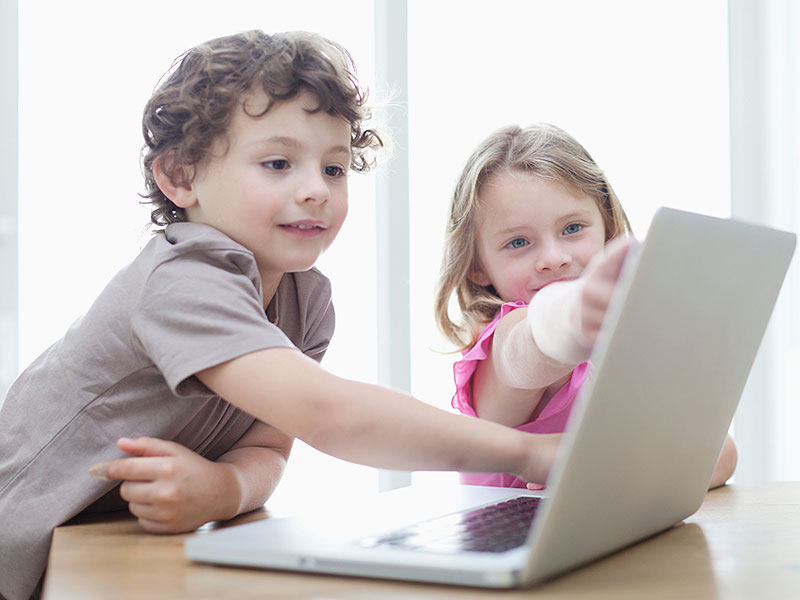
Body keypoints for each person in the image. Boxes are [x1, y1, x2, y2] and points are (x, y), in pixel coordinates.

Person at [0, 32, 561, 600]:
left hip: (98, 554)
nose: (316, 190)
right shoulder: (181, 279)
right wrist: (530, 451)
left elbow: (268, 449)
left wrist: (224, 487)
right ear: (181, 176)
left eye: (335, 169)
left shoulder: (305, 301)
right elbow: (330, 415)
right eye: (277, 163)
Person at [434, 123, 737, 490]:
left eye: (573, 228)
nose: (554, 258)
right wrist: (570, 319)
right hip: (507, 546)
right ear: (477, 266)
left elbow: (720, 454)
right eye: (518, 243)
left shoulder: (628, 349)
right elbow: (528, 347)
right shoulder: (502, 345)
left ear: (607, 229)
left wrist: (614, 474)